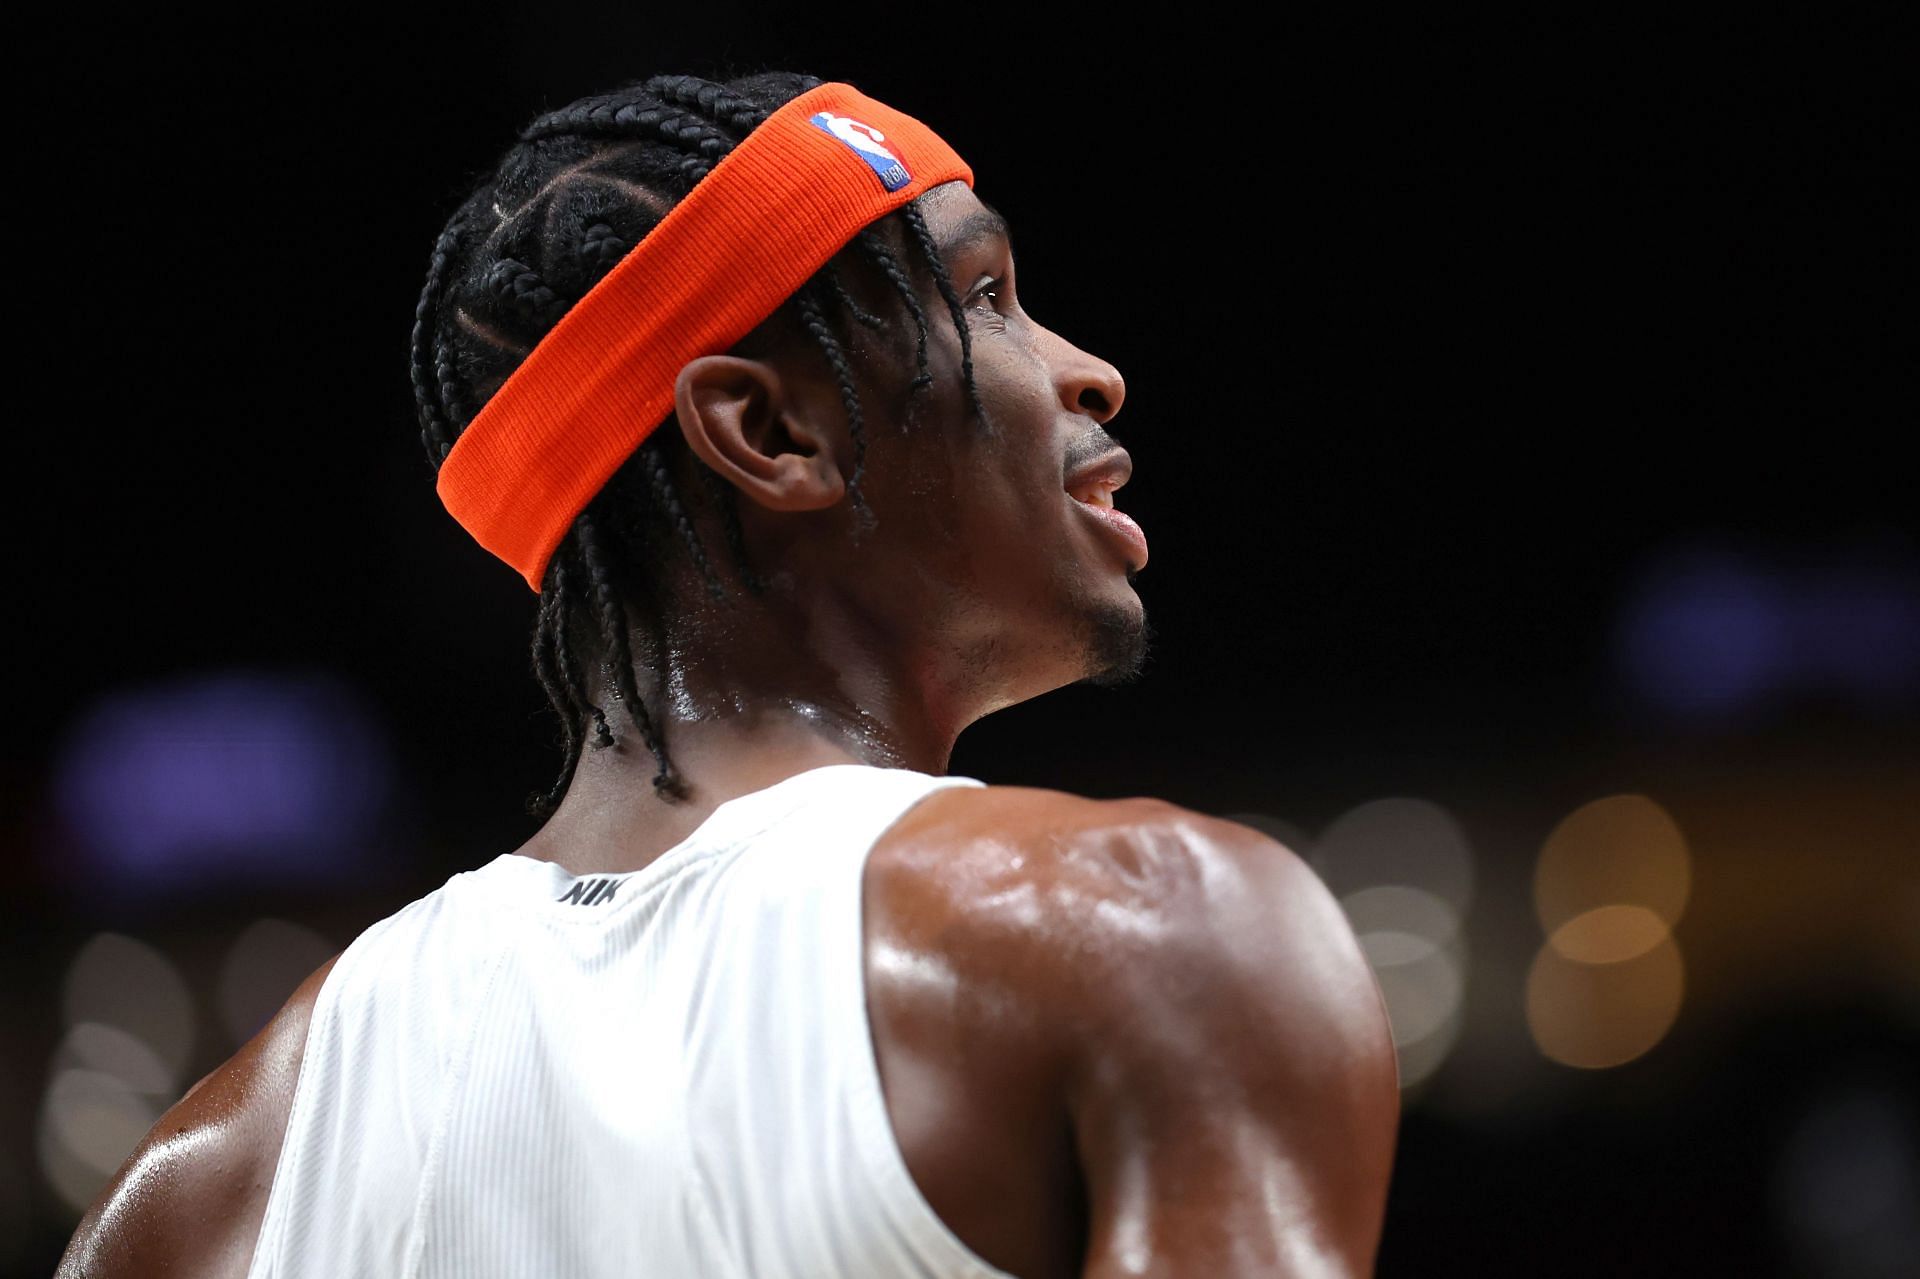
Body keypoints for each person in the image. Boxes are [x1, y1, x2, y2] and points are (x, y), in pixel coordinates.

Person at [58, 70, 1400, 1278]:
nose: (1088, 373)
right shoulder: (1149, 932)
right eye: (988, 297)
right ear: (767, 429)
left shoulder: (199, 1196)